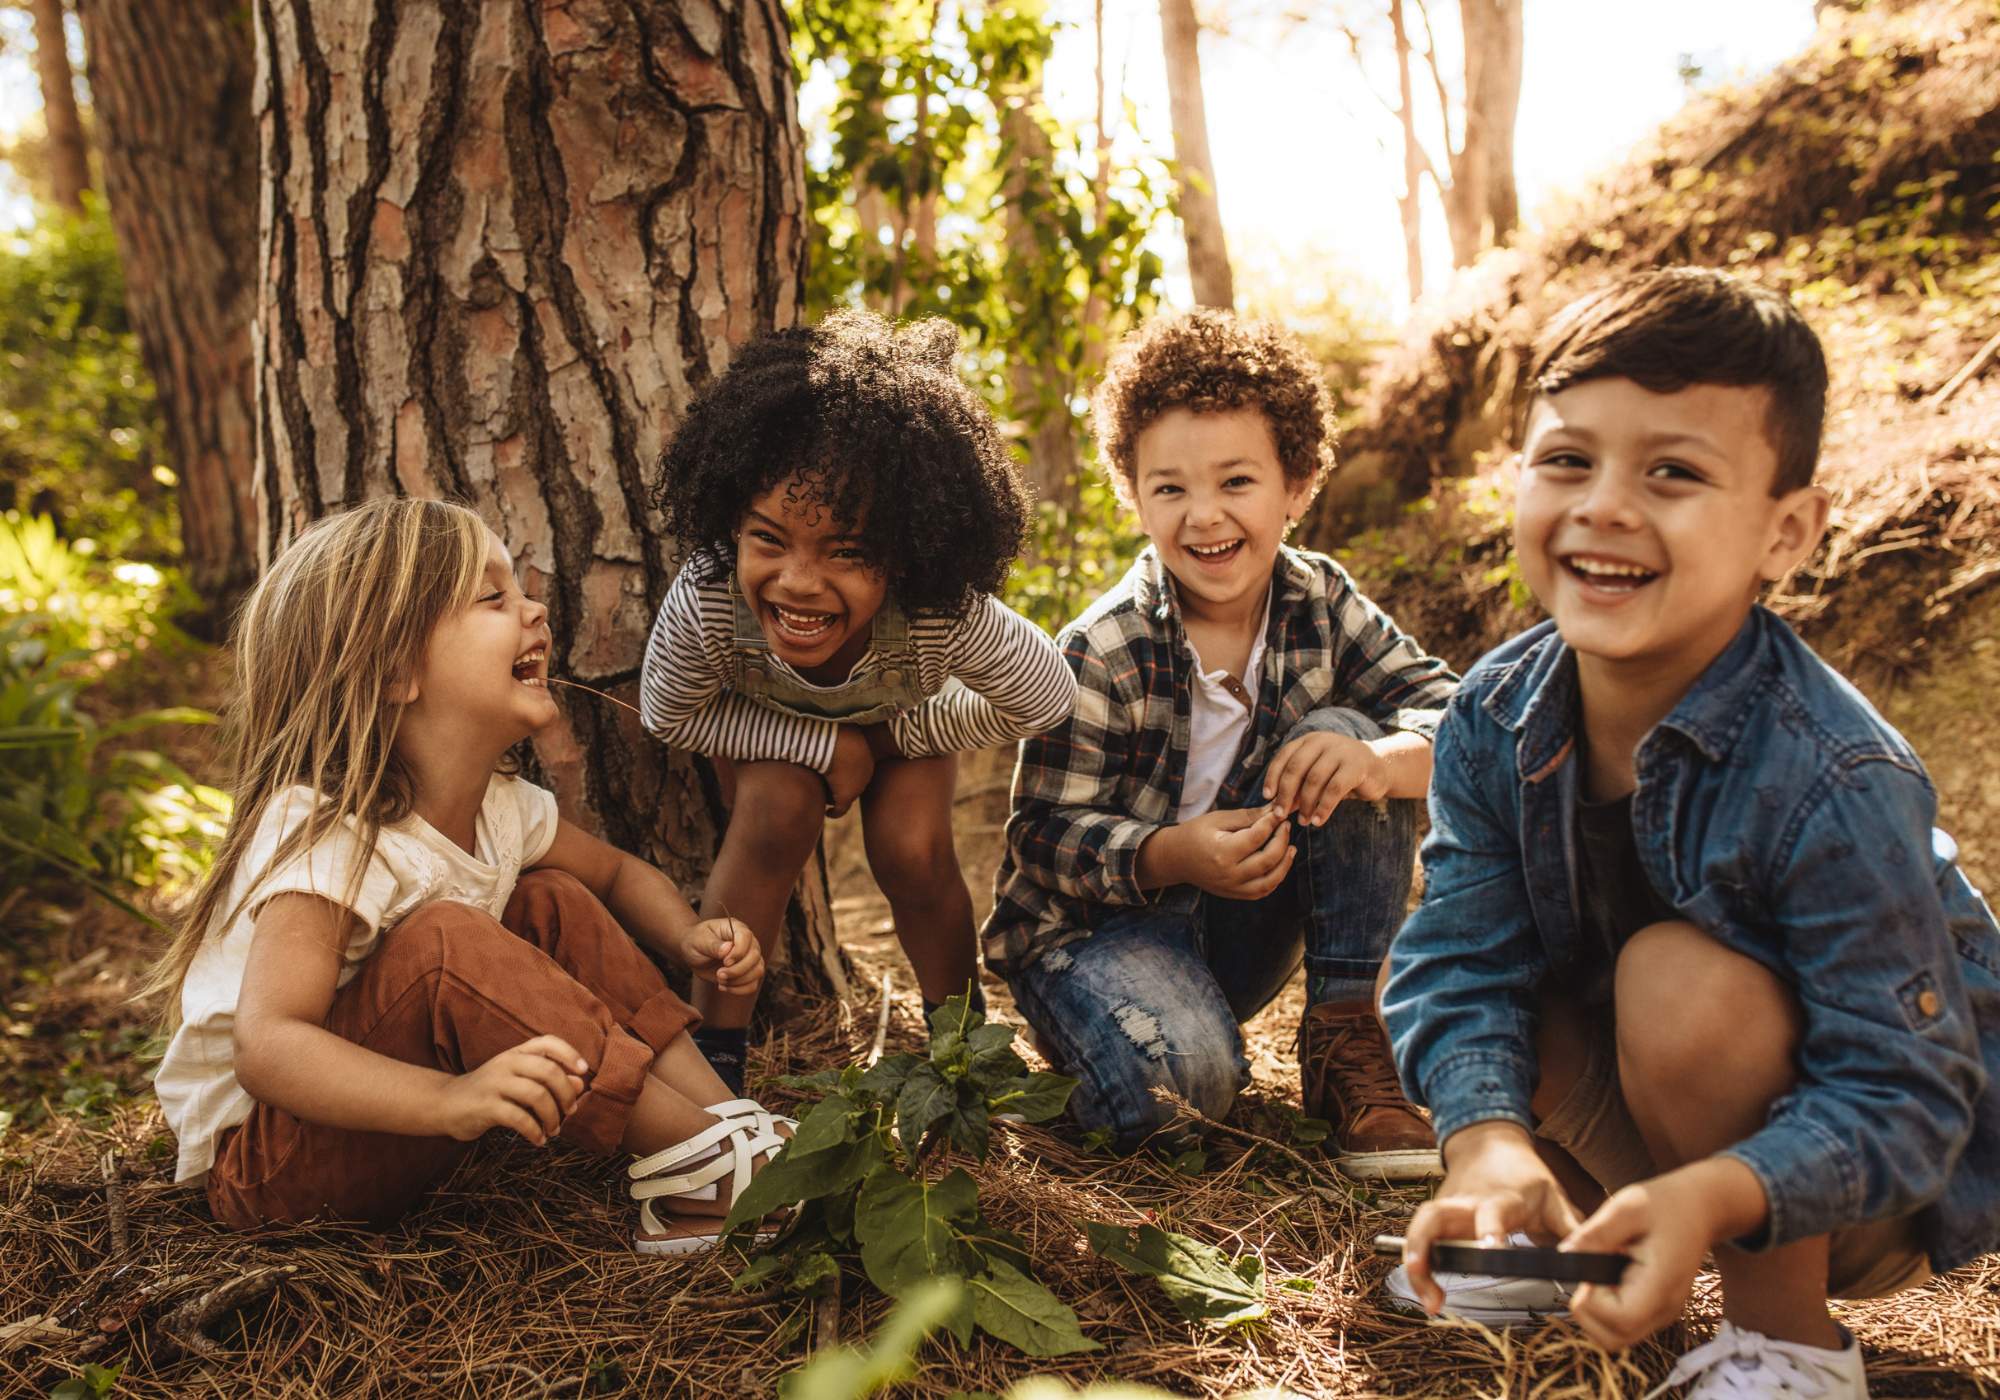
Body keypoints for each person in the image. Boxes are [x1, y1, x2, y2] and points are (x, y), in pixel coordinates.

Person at [1382, 268, 1999, 1395]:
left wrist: (1712, 1193)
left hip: (1855, 1176)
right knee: (1506, 977)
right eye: (1567, 459)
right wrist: (1484, 1142)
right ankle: (1545, 1229)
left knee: (1674, 978)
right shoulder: (1492, 711)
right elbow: (1457, 957)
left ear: (1785, 532)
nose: (1604, 505)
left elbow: (1904, 1091)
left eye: (1671, 471)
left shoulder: (1829, 770)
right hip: (1659, 1116)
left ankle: (1786, 1344)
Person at [151, 498, 792, 1254]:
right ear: (395, 669)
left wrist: (687, 935)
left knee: (549, 898)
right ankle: (712, 1172)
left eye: (519, 592)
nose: (535, 610)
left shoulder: (503, 808)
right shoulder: (329, 831)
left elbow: (615, 877)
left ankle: (721, 1125)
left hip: (388, 1122)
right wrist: (448, 1100)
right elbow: (269, 1045)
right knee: (447, 941)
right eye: (493, 598)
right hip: (273, 1165)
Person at [982, 308, 1459, 1178]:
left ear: (1299, 484)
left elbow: (1460, 717)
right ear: (1134, 496)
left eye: (1237, 481)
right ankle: (1121, 1051)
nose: (1204, 517)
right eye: (1170, 489)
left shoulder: (1322, 601)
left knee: (1347, 739)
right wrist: (1170, 855)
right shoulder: (1104, 647)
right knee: (1185, 1094)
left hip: (1240, 927)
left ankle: (1348, 1035)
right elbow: (1041, 836)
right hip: (1095, 940)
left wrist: (1382, 761)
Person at [641, 309, 1077, 1094]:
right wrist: (820, 746)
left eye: (847, 552)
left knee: (912, 849)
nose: (799, 581)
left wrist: (895, 736)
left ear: (908, 553)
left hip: (903, 729)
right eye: (768, 538)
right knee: (775, 810)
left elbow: (1043, 696)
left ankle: (962, 1051)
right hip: (769, 736)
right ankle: (715, 1067)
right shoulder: (709, 597)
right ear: (731, 522)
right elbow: (668, 713)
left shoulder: (941, 611)